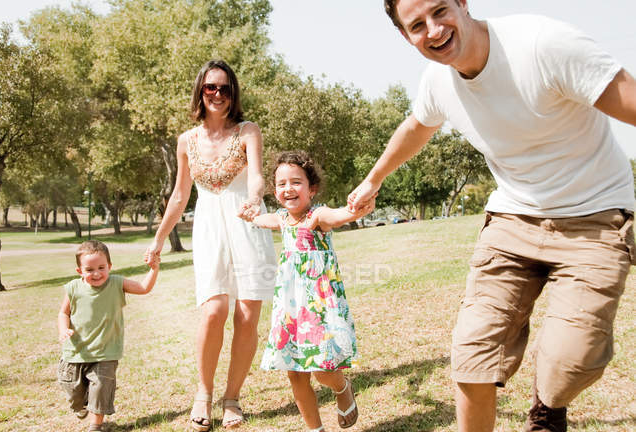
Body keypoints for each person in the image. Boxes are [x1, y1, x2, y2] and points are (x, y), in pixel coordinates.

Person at [349, 1, 636, 431]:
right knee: (472, 355)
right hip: (512, 220)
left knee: (569, 364)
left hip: (594, 219)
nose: (434, 29)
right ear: (406, 37)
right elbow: (417, 126)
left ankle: (549, 407)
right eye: (416, 26)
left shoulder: (542, 45)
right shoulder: (438, 81)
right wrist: (373, 180)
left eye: (440, 10)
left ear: (463, 2)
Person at [144, 59, 277, 431]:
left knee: (247, 315)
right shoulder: (187, 140)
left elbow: (257, 177)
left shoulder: (248, 130)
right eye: (210, 88)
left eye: (224, 88)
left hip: (246, 223)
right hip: (208, 229)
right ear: (200, 93)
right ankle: (203, 393)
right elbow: (179, 195)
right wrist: (157, 240)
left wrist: (254, 200)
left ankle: (232, 398)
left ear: (233, 93)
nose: (217, 94)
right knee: (214, 311)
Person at [244, 150, 375, 431]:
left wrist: (355, 209)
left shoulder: (317, 217)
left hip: (318, 306)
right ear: (275, 191)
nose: (288, 188)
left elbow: (339, 215)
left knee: (322, 370)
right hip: (290, 309)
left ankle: (341, 388)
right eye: (281, 184)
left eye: (296, 182)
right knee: (295, 373)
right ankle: (315, 429)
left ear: (311, 189)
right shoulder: (281, 218)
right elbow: (263, 221)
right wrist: (250, 216)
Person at [57, 240, 159, 432]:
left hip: (106, 352)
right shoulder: (73, 288)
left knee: (101, 387)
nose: (96, 273)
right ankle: (81, 405)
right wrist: (64, 330)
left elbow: (144, 288)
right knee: (73, 393)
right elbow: (64, 313)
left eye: (101, 267)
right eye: (89, 269)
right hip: (77, 351)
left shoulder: (117, 283)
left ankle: (95, 425)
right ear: (80, 271)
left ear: (110, 266)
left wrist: (154, 269)